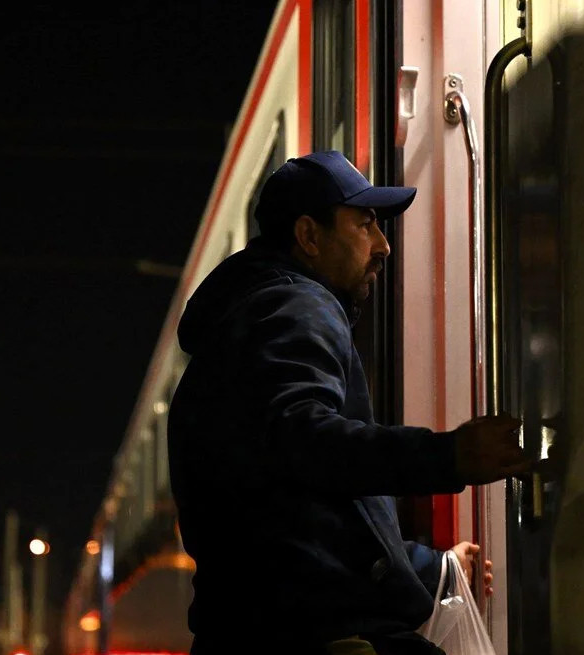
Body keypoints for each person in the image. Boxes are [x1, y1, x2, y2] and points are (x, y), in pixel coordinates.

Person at [167, 150, 535, 655]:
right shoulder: (298, 304)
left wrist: (435, 570)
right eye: (365, 224)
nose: (383, 245)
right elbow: (303, 440)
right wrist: (447, 456)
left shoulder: (241, 325)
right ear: (309, 236)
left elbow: (302, 518)